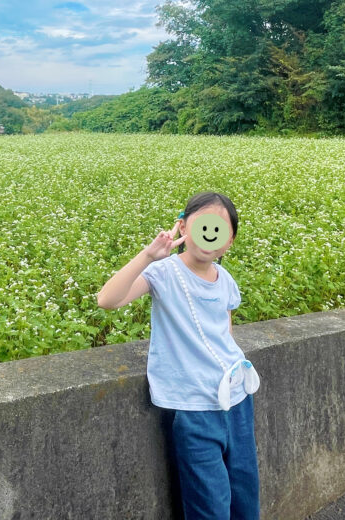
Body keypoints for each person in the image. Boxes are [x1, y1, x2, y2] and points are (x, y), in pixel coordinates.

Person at [96, 191, 260, 520]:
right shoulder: (164, 273)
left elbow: (225, 333)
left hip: (238, 399)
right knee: (210, 506)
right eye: (202, 225)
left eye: (220, 229)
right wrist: (148, 255)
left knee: (245, 496)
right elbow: (108, 300)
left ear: (229, 242)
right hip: (194, 408)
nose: (210, 234)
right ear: (183, 227)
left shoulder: (225, 279)